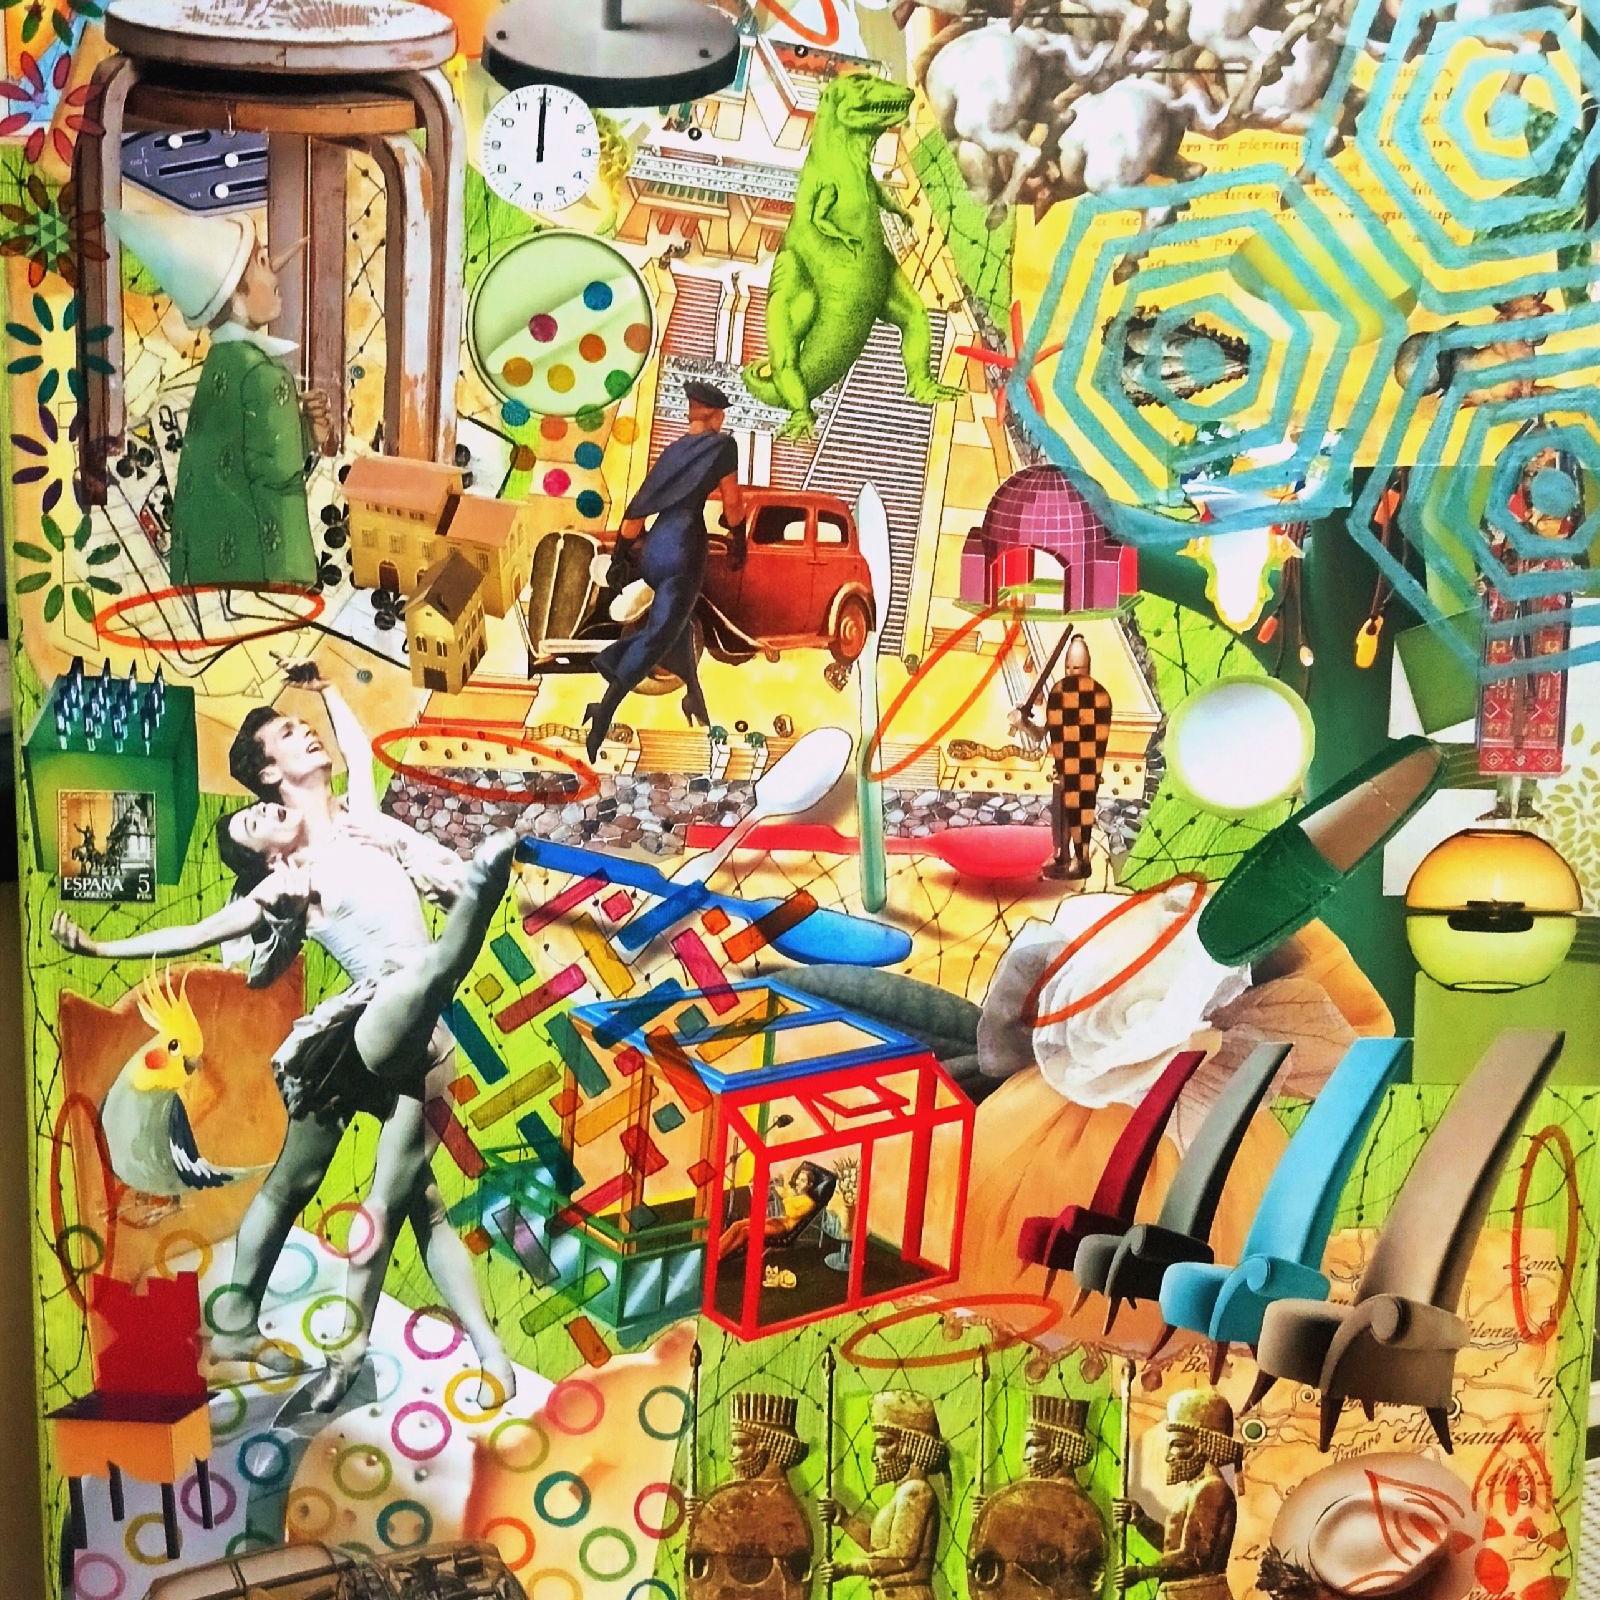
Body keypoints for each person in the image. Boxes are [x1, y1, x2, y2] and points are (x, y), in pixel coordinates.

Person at [52, 657, 516, 1412]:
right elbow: (195, 931)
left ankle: (464, 1352)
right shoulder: (283, 883)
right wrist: (101, 949)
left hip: (416, 1042)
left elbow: (358, 751)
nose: (308, 736)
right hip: (362, 1032)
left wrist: (327, 689)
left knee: (409, 1206)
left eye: (307, 729)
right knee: (412, 998)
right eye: (290, 736)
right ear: (270, 780)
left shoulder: (360, 821)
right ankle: (475, 907)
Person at [107, 209, 331, 588]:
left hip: (208, 570)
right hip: (263, 572)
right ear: (238, 299)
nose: (276, 277)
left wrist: (305, 433)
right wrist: (309, 437)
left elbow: (238, 458)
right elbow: (280, 478)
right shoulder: (266, 375)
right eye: (263, 264)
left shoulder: (219, 365)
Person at [583, 379, 747, 761]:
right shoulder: (723, 446)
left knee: (678, 622)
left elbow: (638, 511)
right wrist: (738, 536)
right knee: (659, 634)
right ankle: (603, 709)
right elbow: (733, 503)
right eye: (721, 415)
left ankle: (693, 695)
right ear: (714, 415)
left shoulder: (672, 452)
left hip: (655, 547)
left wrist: (621, 555)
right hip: (685, 548)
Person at [684, 1392, 815, 1600]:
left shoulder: (781, 1505)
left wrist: (708, 1515)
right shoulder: (737, 1502)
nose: (733, 1455)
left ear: (766, 1447)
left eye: (740, 1443)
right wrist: (704, 1515)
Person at [1113, 1390, 1241, 1600]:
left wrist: (1142, 1572)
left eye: (1178, 1445)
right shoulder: (1195, 1489)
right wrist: (1141, 1521)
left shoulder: (1212, 1489)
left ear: (1203, 1447)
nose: (1169, 1457)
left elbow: (1193, 1558)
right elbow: (1174, 1547)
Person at [819, 1391, 946, 1600]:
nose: (874, 1457)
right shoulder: (904, 1493)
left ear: (910, 1446)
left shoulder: (916, 1491)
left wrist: (848, 1567)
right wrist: (844, 1519)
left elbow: (901, 1556)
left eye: (884, 1443)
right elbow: (877, 1548)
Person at [1012, 628, 1112, 882]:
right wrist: (1024, 723)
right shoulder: (1059, 695)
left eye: (1077, 668)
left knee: (1079, 814)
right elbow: (1041, 735)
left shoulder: (1098, 698)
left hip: (1084, 773)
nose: (1072, 673)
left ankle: (1081, 860)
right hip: (1061, 771)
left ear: (1087, 667)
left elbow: (1091, 740)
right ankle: (1061, 856)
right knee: (1060, 818)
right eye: (1068, 668)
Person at [715, 1161, 834, 1260]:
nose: (798, 1182)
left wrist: (784, 1196)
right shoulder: (794, 1194)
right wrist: (778, 1189)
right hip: (776, 1219)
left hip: (783, 1227)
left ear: (810, 1185)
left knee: (746, 1231)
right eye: (798, 1178)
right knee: (737, 1225)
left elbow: (790, 1212)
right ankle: (716, 1250)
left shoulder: (809, 1202)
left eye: (803, 1181)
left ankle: (721, 1255)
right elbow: (782, 1195)